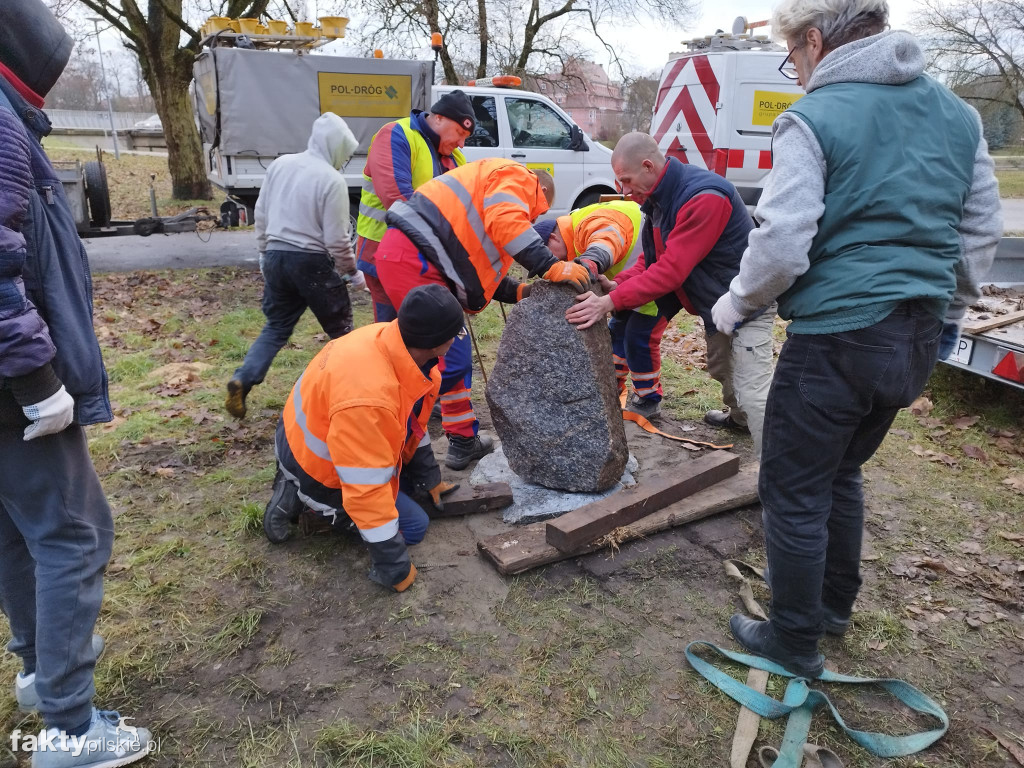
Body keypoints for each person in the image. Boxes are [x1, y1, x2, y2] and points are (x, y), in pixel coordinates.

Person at [713, 0, 1001, 678]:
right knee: (840, 473)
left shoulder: (816, 116)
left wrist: (736, 304)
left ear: (815, 40)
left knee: (794, 488)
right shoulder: (960, 116)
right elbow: (980, 231)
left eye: (793, 58)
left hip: (838, 338)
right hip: (915, 337)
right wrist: (947, 308)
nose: (796, 74)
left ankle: (793, 640)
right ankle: (832, 608)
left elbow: (782, 243)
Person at [0, 1, 152, 764]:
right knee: (72, 532)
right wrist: (36, 378)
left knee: (20, 528)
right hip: (10, 383)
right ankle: (69, 727)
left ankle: (39, 670)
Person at [566, 133, 775, 458]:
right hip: (713, 302)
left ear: (648, 166)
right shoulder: (658, 201)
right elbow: (651, 262)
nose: (622, 190)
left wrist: (608, 302)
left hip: (746, 300)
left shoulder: (704, 197)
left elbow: (671, 271)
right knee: (723, 369)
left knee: (753, 388)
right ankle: (739, 419)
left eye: (626, 180)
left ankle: (778, 480)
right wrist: (618, 286)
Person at [377, 158, 591, 470]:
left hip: (408, 257)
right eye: (540, 209)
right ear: (540, 188)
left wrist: (522, 292)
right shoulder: (518, 177)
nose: (535, 217)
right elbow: (508, 222)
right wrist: (551, 266)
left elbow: (481, 273)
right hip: (416, 261)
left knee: (417, 359)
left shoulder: (485, 200)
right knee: (445, 356)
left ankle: (432, 438)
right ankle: (429, 447)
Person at [263, 285, 467, 591]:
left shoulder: (392, 340)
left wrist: (429, 478)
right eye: (455, 333)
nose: (457, 340)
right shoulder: (370, 398)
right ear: (437, 342)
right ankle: (303, 499)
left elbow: (409, 426)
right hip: (318, 467)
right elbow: (365, 487)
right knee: (412, 527)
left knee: (405, 492)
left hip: (310, 434)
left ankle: (302, 489)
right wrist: (393, 567)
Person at [225, 112, 361, 419]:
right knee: (343, 333)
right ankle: (355, 392)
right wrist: (352, 272)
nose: (345, 159)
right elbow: (338, 240)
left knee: (276, 326)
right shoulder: (332, 180)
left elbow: (261, 213)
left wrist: (263, 253)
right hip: (310, 263)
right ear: (336, 146)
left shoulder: (281, 165)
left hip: (276, 257)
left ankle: (243, 379)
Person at [356, 90, 474, 322]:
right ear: (438, 118)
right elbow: (398, 199)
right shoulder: (396, 135)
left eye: (466, 138)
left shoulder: (456, 158)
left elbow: (463, 210)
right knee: (394, 329)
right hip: (383, 253)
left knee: (424, 331)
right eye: (460, 133)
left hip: (427, 259)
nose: (461, 144)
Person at [534, 200, 666, 404]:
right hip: (628, 283)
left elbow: (605, 241)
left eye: (547, 258)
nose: (549, 268)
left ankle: (649, 398)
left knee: (639, 339)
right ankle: (612, 385)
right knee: (617, 333)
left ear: (553, 238)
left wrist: (589, 263)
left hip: (655, 283)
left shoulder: (589, 224)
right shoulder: (574, 230)